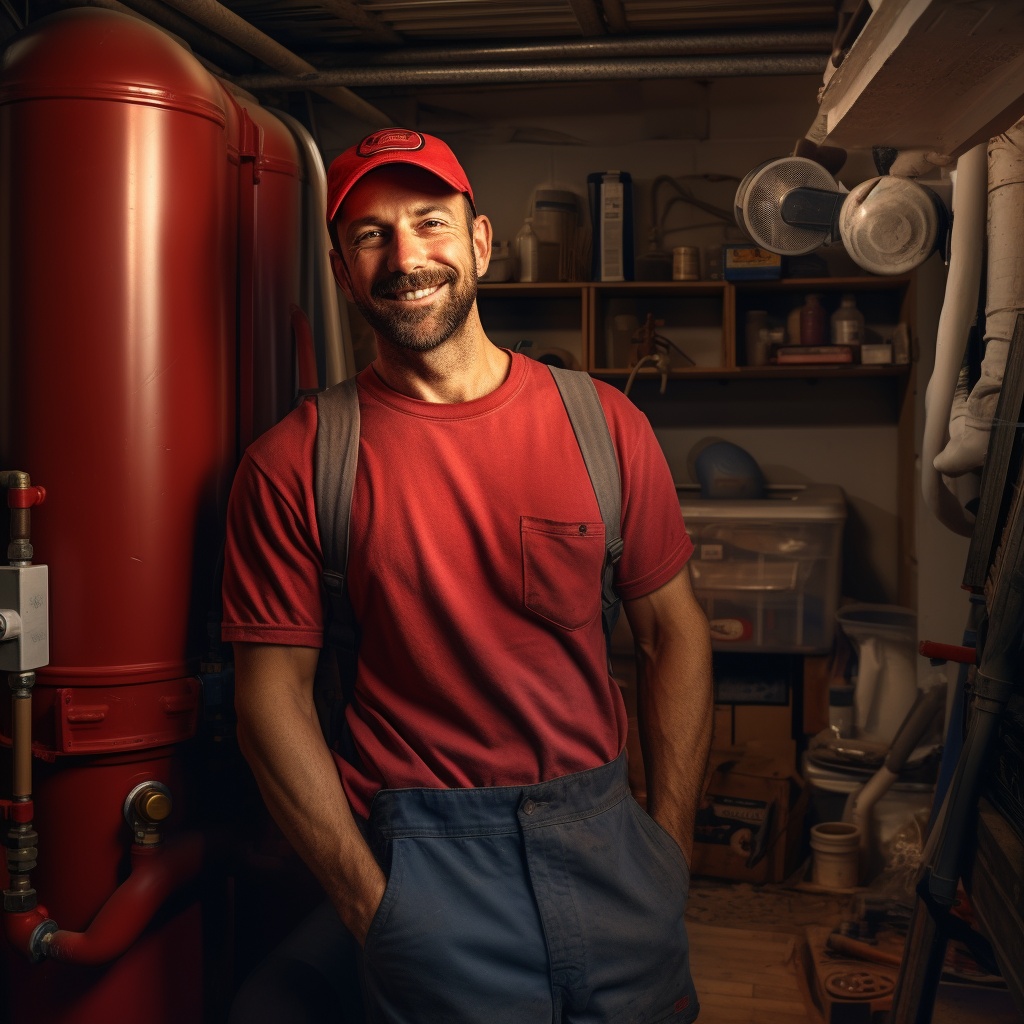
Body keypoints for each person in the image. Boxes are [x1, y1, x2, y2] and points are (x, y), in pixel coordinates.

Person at [223, 128, 713, 1024]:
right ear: (340, 269)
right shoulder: (296, 464)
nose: (407, 258)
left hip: (607, 845)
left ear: (480, 240)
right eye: (371, 235)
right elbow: (270, 703)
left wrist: (668, 844)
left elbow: (672, 632)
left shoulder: (605, 427)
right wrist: (372, 906)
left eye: (429, 222)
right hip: (425, 861)